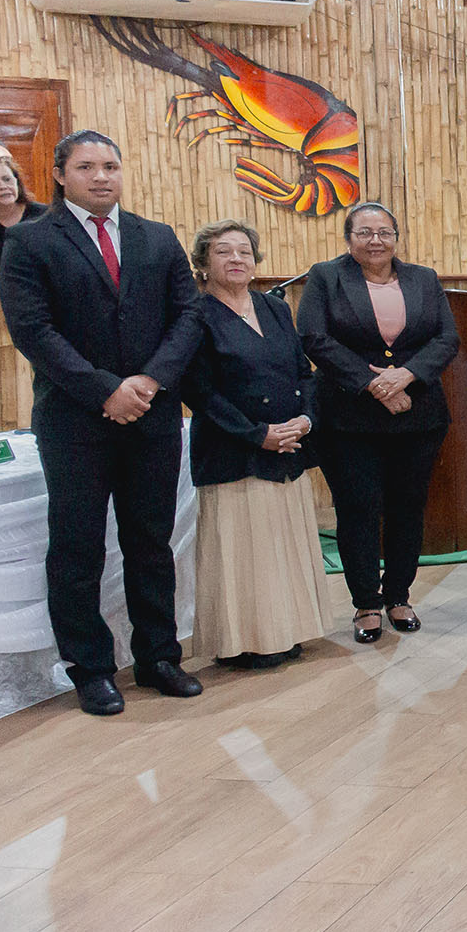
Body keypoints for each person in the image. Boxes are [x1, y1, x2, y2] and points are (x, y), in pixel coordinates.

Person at [0, 130, 203, 715]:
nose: (101, 176)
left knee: (151, 542)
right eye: (86, 167)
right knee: (78, 546)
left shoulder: (156, 237)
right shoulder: (30, 241)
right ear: (61, 175)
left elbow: (188, 316)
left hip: (152, 415)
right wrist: (105, 389)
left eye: (110, 165)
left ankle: (158, 656)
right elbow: (33, 331)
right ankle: (89, 668)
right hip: (74, 419)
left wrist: (149, 382)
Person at [297, 201, 460, 642]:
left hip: (417, 414)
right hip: (348, 418)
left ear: (396, 238)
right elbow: (313, 337)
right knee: (358, 509)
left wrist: (406, 375)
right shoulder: (326, 277)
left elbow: (447, 338)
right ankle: (366, 602)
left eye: (384, 232)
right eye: (364, 233)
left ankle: (399, 596)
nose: (375, 241)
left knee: (408, 507)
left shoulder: (423, 278)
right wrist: (374, 385)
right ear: (348, 239)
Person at [183, 220, 330, 668]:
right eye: (223, 251)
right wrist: (256, 434)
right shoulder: (194, 314)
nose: (236, 259)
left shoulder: (273, 307)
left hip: (289, 446)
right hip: (233, 451)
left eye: (244, 251)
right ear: (203, 264)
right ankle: (245, 641)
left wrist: (306, 418)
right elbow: (199, 392)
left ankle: (288, 631)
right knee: (244, 552)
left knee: (282, 545)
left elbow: (303, 372)